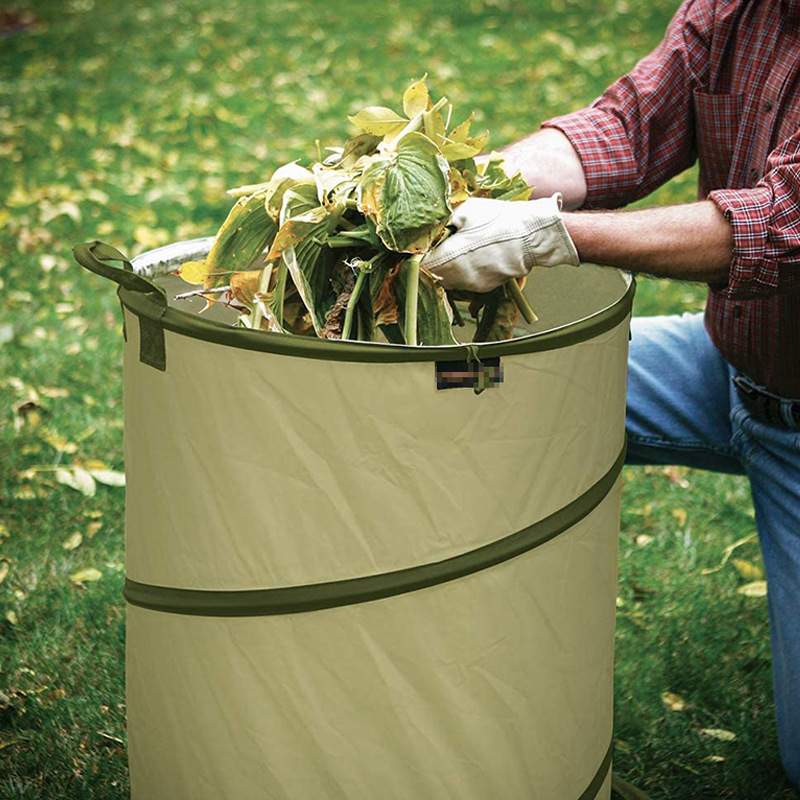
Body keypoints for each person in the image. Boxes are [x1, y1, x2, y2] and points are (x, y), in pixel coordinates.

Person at [423, 0, 800, 790]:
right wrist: (458, 192)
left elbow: (781, 227)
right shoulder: (738, 8)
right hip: (729, 365)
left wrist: (551, 235)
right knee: (467, 380)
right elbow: (624, 128)